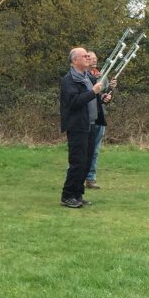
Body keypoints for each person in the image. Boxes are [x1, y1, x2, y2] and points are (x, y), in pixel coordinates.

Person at [59, 47, 112, 208]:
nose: (88, 58)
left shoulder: (87, 76)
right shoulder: (69, 80)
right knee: (77, 162)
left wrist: (101, 97)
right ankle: (67, 196)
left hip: (91, 125)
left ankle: (77, 194)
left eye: (88, 56)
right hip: (77, 126)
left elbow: (91, 98)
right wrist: (93, 92)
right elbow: (73, 102)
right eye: (85, 56)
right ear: (75, 60)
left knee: (87, 162)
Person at [85, 50, 112, 189]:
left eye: (96, 58)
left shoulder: (102, 76)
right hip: (87, 118)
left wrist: (108, 94)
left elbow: (102, 97)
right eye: (91, 58)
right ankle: (75, 177)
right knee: (83, 149)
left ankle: (90, 178)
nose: (94, 60)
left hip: (99, 116)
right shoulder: (82, 77)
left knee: (95, 150)